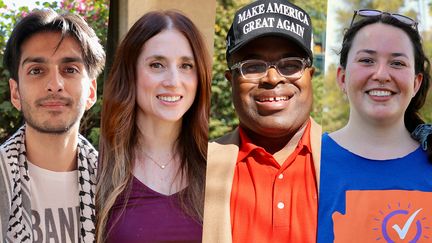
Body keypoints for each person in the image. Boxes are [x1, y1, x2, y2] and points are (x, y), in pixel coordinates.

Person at [203, 0, 321, 242]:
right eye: (253, 66)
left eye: (290, 65)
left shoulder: (349, 163)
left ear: (310, 75)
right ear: (231, 79)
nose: (272, 78)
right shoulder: (194, 167)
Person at [95, 10, 211, 243]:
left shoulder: (216, 167)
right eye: (157, 65)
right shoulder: (98, 171)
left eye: (186, 66)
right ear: (131, 73)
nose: (173, 81)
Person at [317, 9, 432, 243]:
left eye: (397, 63)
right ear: (342, 77)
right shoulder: (308, 162)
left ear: (416, 83)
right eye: (367, 60)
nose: (381, 74)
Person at [0, 8, 105, 242]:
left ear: (91, 91)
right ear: (15, 93)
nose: (55, 84)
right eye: (36, 70)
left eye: (70, 70)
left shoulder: (116, 189)